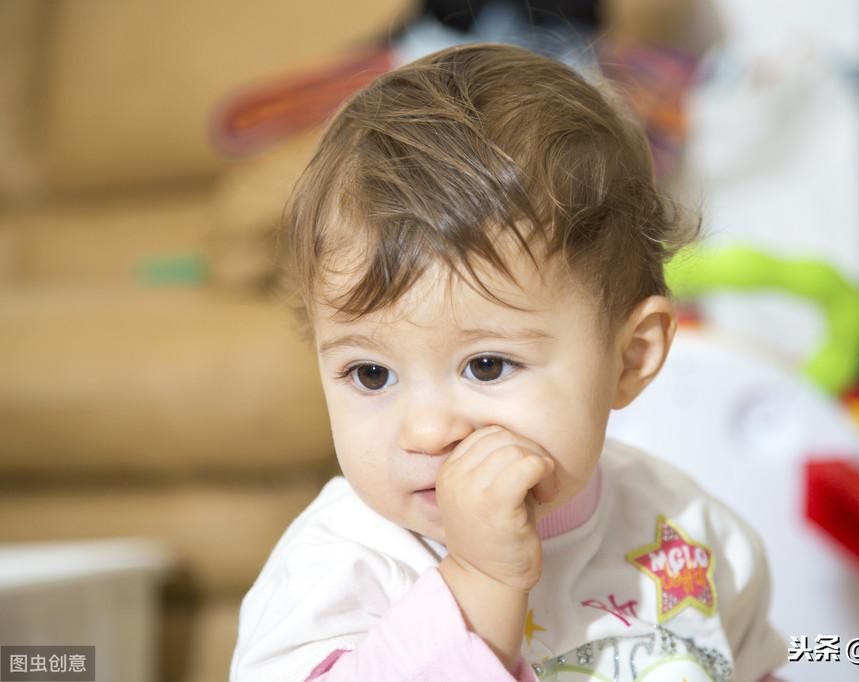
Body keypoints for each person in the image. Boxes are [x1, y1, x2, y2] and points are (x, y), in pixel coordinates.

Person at [230, 42, 788, 682]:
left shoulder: (686, 530)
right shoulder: (342, 567)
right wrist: (477, 581)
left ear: (631, 357)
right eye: (371, 374)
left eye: (487, 366)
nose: (426, 431)